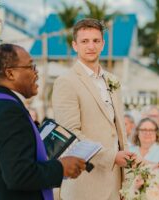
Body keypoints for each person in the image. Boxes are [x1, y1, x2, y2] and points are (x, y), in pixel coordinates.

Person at [0, 44, 86, 200]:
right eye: (31, 66)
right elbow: (19, 175)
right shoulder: (9, 111)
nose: (36, 72)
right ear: (10, 73)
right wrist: (61, 168)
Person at [52, 18, 133, 200]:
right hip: (84, 183)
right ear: (75, 45)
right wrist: (111, 157)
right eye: (84, 41)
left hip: (115, 181)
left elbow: (118, 131)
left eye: (96, 41)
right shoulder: (66, 81)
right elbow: (70, 134)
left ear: (103, 44)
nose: (91, 46)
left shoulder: (113, 81)